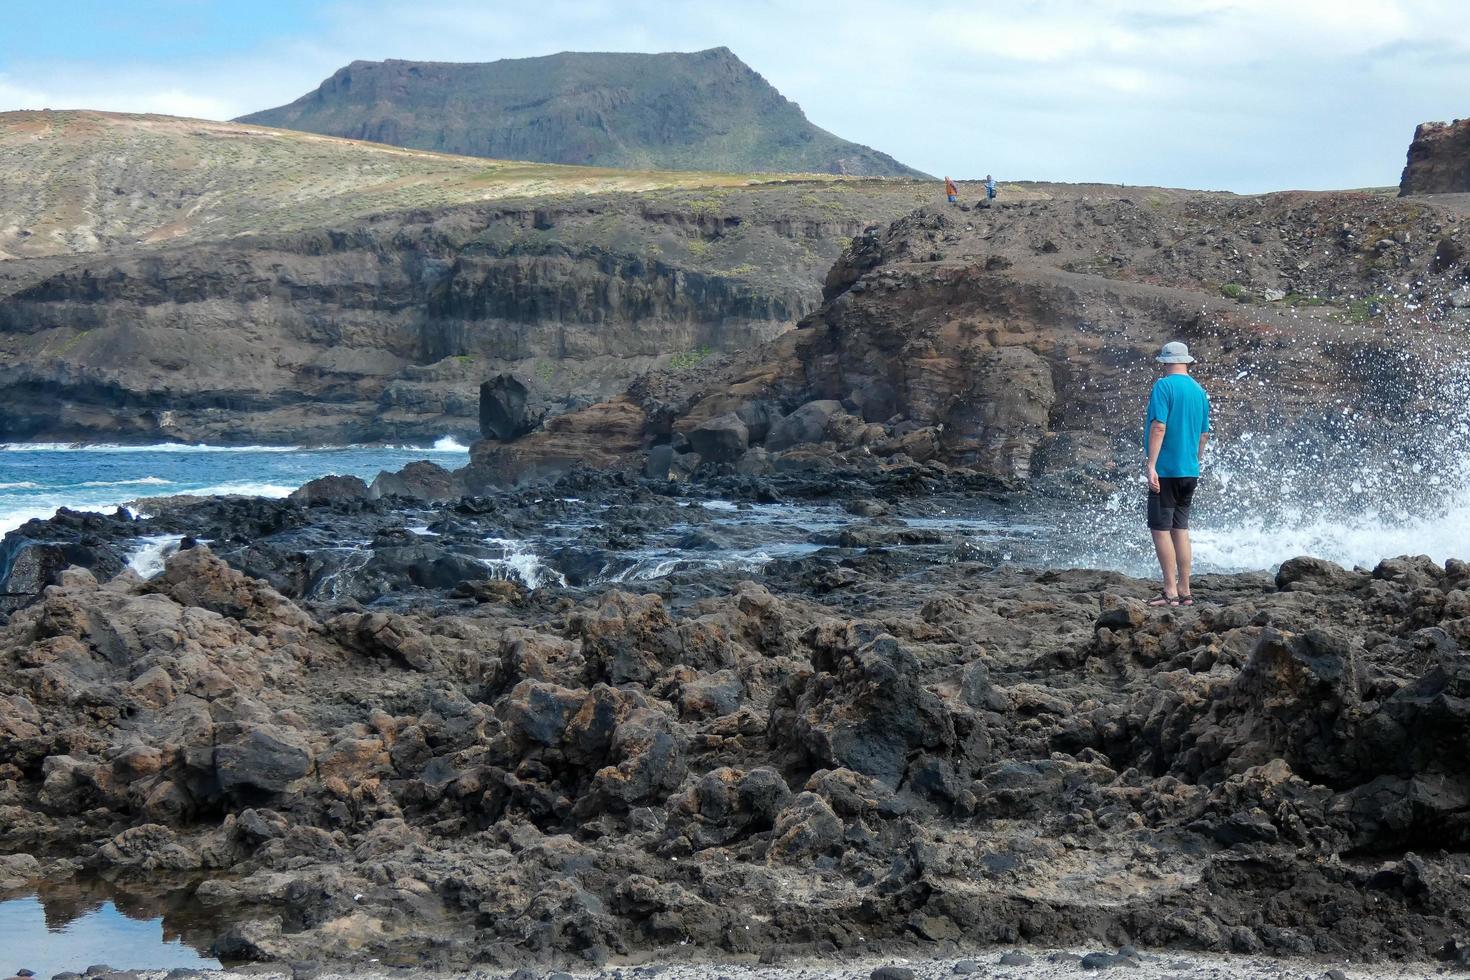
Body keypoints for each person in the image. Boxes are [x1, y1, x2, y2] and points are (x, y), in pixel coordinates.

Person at [1143, 341, 1211, 607]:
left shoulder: (1164, 386)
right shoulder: (1199, 391)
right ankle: (1185, 591)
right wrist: (1194, 461)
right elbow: (1203, 435)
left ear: (1164, 362)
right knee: (1180, 528)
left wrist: (1151, 465)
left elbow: (1159, 427)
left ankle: (1170, 591)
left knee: (1160, 529)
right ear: (1187, 361)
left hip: (1167, 470)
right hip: (1189, 471)